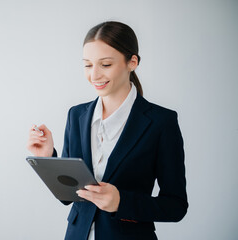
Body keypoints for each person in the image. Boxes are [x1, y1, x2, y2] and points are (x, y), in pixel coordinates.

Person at [27, 21, 188, 240]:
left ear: (132, 62)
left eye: (105, 64)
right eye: (87, 65)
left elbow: (176, 206)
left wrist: (121, 202)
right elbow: (69, 196)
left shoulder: (161, 122)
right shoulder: (77, 115)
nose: (94, 75)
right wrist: (49, 158)